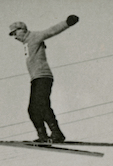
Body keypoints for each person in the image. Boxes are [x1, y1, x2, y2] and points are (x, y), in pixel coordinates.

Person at [9, 15, 80, 143]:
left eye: (15, 33)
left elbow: (51, 31)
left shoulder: (34, 36)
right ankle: (42, 135)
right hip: (36, 79)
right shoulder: (26, 43)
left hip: (43, 77)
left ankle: (57, 133)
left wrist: (67, 23)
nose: (15, 37)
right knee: (32, 109)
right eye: (12, 35)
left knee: (42, 105)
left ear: (22, 29)